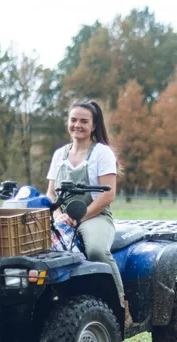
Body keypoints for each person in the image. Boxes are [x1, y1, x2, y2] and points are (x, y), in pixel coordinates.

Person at [45, 100, 126, 310]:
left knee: (97, 250)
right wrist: (57, 216)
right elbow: (51, 193)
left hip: (94, 215)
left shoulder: (102, 153)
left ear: (93, 125)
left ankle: (120, 305)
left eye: (83, 121)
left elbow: (108, 195)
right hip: (62, 217)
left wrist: (77, 218)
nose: (77, 125)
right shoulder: (59, 155)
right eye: (73, 120)